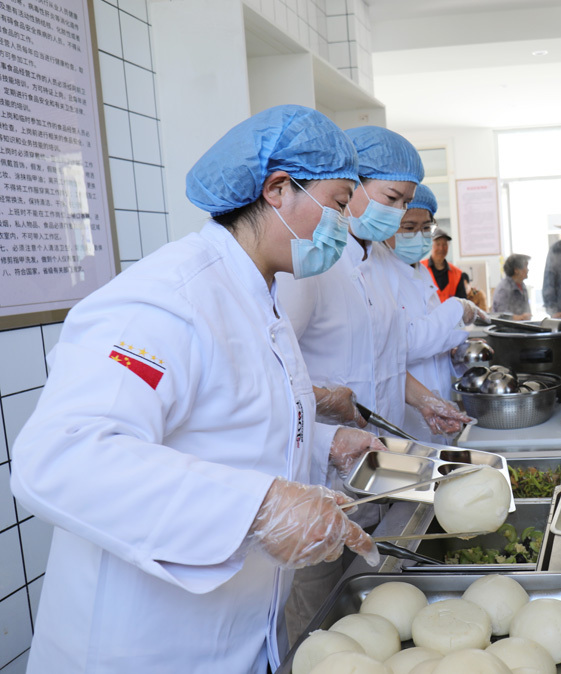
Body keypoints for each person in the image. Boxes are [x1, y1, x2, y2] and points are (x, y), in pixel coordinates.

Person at [8, 105, 384, 672]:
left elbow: (232, 427)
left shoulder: (260, 295)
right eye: (335, 205)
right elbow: (62, 456)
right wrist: (260, 508)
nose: (341, 227)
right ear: (278, 189)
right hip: (143, 646)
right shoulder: (168, 299)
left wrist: (321, 444)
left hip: (238, 629)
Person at [277, 126, 471, 643]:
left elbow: (387, 361)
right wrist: (320, 400)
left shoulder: (380, 261)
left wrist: (425, 399)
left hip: (378, 464)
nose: (396, 213)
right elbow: (268, 364)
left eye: (406, 202)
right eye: (391, 198)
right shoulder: (315, 263)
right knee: (316, 605)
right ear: (352, 186)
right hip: (321, 471)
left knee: (364, 600)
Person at [381, 183, 483, 442]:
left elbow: (432, 332)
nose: (419, 235)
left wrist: (456, 350)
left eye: (426, 228)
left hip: (438, 403)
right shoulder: (380, 274)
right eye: (409, 228)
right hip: (406, 413)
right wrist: (457, 307)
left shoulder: (421, 272)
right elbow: (406, 344)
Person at [422, 227, 468, 301]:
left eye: (445, 245)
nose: (441, 248)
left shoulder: (457, 274)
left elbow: (462, 303)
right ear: (430, 245)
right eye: (438, 244)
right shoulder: (419, 268)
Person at [492, 253, 532, 320]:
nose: (528, 270)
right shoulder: (503, 289)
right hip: (507, 329)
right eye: (526, 266)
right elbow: (501, 315)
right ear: (516, 270)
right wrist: (520, 317)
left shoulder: (522, 286)